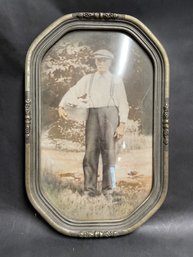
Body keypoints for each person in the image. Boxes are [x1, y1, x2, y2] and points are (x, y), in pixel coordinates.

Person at [58, 49, 129, 198]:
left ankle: (108, 190)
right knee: (90, 153)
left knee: (110, 154)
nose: (101, 63)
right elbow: (73, 91)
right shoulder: (88, 79)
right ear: (95, 62)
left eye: (104, 60)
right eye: (98, 60)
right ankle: (89, 190)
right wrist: (61, 105)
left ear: (110, 62)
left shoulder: (116, 80)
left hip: (111, 115)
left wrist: (122, 124)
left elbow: (123, 102)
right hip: (92, 116)